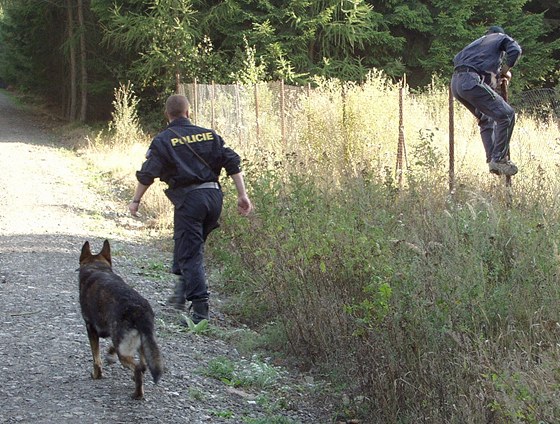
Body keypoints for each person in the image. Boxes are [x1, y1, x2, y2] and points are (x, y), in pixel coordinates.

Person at [129, 94, 253, 323]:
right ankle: (178, 295)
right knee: (187, 244)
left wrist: (136, 200)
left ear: (168, 115)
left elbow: (148, 173)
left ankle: (200, 312)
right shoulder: (209, 134)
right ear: (188, 112)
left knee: (191, 252)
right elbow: (232, 162)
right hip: (214, 197)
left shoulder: (163, 140)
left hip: (190, 199)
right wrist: (242, 195)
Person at [451, 25, 522, 176]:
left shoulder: (476, 46)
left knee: (486, 119)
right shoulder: (499, 38)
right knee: (507, 115)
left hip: (456, 85)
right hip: (471, 81)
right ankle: (500, 159)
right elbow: (516, 50)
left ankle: (492, 161)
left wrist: (499, 78)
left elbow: (487, 82)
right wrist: (505, 70)